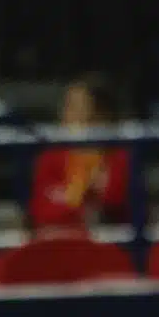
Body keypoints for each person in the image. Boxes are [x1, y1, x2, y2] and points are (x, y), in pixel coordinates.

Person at [28, 74, 131, 231]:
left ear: (102, 116)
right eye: (67, 106)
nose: (66, 115)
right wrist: (78, 193)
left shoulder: (120, 157)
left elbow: (121, 207)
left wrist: (98, 186)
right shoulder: (51, 157)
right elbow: (40, 212)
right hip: (61, 243)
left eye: (76, 108)